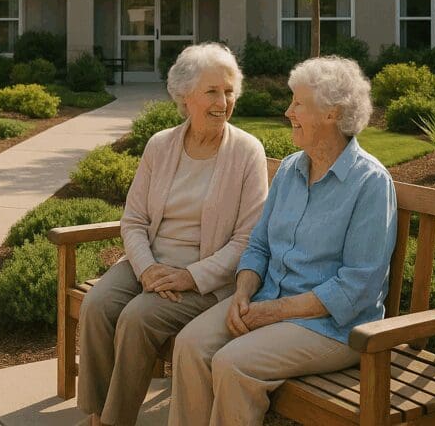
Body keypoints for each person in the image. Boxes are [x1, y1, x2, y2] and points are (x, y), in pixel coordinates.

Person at [169, 56, 397, 426]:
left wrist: (273, 312)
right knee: (190, 345)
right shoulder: (292, 169)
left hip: (332, 329)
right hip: (264, 301)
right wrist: (242, 294)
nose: (288, 111)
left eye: (298, 103)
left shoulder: (370, 183)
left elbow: (357, 287)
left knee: (233, 364)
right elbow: (258, 245)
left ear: (330, 114)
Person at [78, 43, 269, 426]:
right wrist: (147, 269)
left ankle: (115, 422)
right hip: (149, 262)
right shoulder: (161, 145)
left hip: (205, 277)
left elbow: (247, 240)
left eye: (229, 91)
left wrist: (190, 276)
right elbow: (132, 220)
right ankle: (96, 414)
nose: (223, 101)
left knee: (137, 318)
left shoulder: (247, 152)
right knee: (97, 305)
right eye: (212, 92)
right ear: (185, 97)